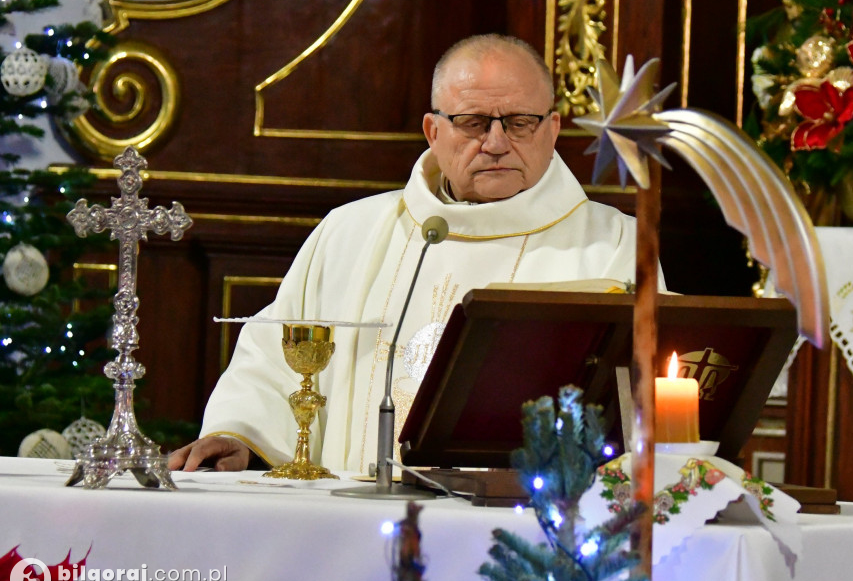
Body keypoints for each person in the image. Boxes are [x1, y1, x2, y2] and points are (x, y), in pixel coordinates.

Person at [169, 34, 647, 474]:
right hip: (349, 524)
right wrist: (241, 435)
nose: (497, 143)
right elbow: (275, 358)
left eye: (520, 123)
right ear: (433, 131)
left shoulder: (614, 245)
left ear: (553, 128)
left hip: (522, 533)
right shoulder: (350, 232)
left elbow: (639, 403)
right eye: (473, 123)